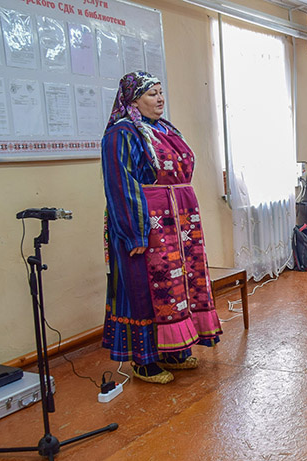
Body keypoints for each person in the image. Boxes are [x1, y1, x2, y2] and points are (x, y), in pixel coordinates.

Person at [101, 71, 221, 384]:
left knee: (178, 285)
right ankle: (144, 361)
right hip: (146, 224)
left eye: (160, 92)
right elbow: (120, 185)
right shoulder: (121, 133)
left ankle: (172, 350)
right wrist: (134, 233)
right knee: (145, 289)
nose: (160, 99)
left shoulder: (164, 129)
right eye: (152, 93)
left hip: (178, 223)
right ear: (133, 100)